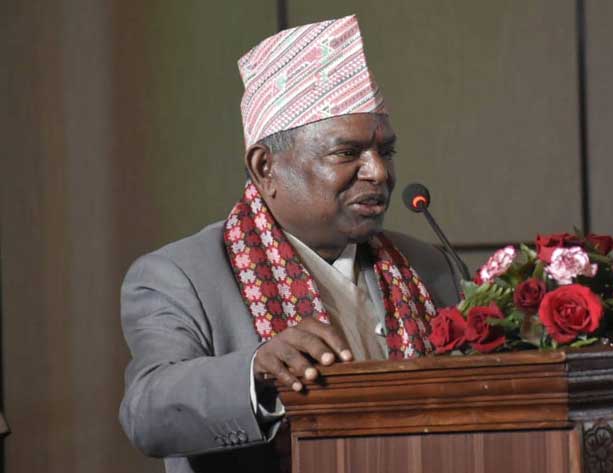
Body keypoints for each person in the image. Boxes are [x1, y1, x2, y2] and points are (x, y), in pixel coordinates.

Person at [119, 15, 462, 473]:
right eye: (347, 153)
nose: (379, 172)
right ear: (265, 168)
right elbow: (147, 412)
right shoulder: (182, 276)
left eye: (386, 151)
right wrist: (255, 371)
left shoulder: (425, 266)